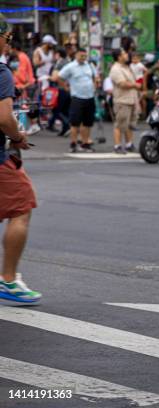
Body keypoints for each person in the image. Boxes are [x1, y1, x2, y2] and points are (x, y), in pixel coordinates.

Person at [0, 14, 41, 304]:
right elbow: (4, 118)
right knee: (22, 206)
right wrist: (17, 137)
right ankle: (9, 279)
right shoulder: (1, 72)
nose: (8, 43)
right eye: (8, 37)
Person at [58, 47, 99, 153]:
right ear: (76, 55)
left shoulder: (89, 65)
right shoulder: (71, 67)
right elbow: (60, 76)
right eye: (81, 55)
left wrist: (95, 84)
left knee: (87, 123)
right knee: (75, 123)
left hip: (89, 97)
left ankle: (85, 143)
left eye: (85, 56)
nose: (83, 58)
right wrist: (65, 87)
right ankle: (73, 143)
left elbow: (95, 76)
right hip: (77, 97)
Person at [109, 49, 140, 154]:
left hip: (131, 99)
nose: (127, 55)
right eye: (124, 54)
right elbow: (122, 84)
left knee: (129, 124)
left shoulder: (127, 67)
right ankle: (117, 146)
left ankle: (129, 144)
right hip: (122, 100)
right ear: (119, 57)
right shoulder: (116, 69)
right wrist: (135, 85)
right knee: (120, 124)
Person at [47, 47, 70, 136]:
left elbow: (55, 77)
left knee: (56, 110)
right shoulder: (68, 62)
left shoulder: (59, 63)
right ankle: (64, 129)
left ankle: (67, 124)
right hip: (68, 89)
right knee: (64, 110)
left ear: (58, 54)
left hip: (60, 89)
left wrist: (47, 77)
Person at [129, 52, 147, 119]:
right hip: (133, 81)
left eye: (136, 59)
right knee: (137, 97)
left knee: (140, 97)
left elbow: (146, 70)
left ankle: (143, 113)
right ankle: (138, 112)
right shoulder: (131, 65)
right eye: (133, 59)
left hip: (139, 80)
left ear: (139, 59)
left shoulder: (140, 65)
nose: (134, 60)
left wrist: (143, 78)